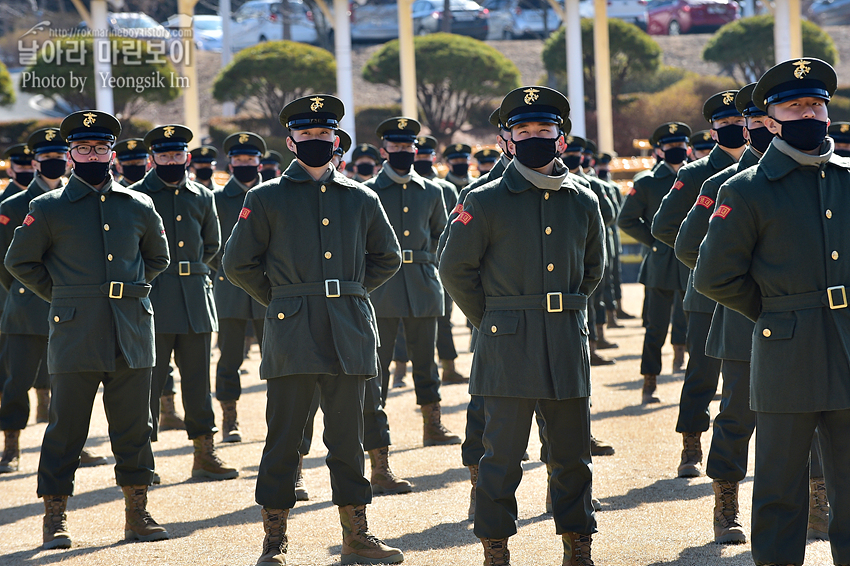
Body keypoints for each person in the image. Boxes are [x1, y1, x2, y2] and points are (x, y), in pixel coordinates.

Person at [223, 94, 404, 566]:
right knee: (283, 438)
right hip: (292, 332)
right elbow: (237, 262)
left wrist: (348, 292)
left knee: (347, 440)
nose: (317, 142)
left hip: (349, 331)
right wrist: (284, 299)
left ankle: (356, 536)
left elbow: (388, 256)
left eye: (325, 135)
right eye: (307, 136)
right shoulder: (264, 198)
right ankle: (274, 540)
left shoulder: (362, 197)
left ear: (337, 140)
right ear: (290, 141)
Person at [693, 57, 849, 566]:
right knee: (781, 486)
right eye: (793, 105)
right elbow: (714, 276)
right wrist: (776, 313)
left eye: (815, 104)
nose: (807, 113)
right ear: (771, 117)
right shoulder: (746, 188)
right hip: (786, 352)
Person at [440, 85, 604, 566]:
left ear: (561, 137)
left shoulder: (584, 200)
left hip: (565, 339)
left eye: (544, 129)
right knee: (502, 458)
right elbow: (455, 270)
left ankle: (578, 543)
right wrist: (493, 319)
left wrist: (562, 310)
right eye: (523, 130)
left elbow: (592, 270)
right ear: (507, 141)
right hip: (507, 341)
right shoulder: (485, 200)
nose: (534, 137)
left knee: (572, 456)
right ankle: (496, 547)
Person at [5, 110, 171, 548]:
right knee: (66, 428)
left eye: (100, 148)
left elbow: (158, 259)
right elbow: (19, 263)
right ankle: (54, 518)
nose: (92, 155)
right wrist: (64, 297)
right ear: (70, 154)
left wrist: (130, 292)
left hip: (131, 331)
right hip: (75, 331)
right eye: (83, 148)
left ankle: (137, 513)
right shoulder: (46, 207)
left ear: (111, 152)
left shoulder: (138, 204)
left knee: (135, 428)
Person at [131, 124, 236, 482]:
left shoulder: (202, 195)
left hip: (194, 299)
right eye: (164, 155)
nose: (171, 161)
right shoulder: (134, 196)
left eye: (177, 155)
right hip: (152, 302)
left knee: (197, 383)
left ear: (187, 157)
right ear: (152, 158)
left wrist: (194, 274)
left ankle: (204, 454)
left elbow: (213, 246)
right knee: (147, 385)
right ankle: (141, 460)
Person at [652, 90, 747, 478]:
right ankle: (691, 443)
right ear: (712, 130)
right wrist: (710, 263)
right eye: (725, 124)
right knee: (703, 374)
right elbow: (663, 227)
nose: (735, 129)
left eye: (739, 122)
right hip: (708, 292)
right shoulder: (695, 174)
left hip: (757, 293)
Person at [0, 127, 107, 473]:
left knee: (69, 382)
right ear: (34, 162)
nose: (54, 162)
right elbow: (7, 263)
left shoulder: (79, 200)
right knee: (17, 381)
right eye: (46, 158)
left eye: (60, 156)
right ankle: (11, 446)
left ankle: (72, 446)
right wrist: (29, 291)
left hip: (73, 309)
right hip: (26, 308)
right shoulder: (13, 205)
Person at [363, 116, 461, 449]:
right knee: (378, 361)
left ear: (416, 149)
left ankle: (432, 425)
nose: (403, 151)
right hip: (382, 286)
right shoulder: (368, 192)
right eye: (396, 146)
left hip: (422, 282)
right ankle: (374, 432)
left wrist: (427, 262)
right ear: (383, 150)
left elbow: (441, 236)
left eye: (408, 146)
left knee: (425, 359)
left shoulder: (432, 191)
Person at [618, 123, 690, 404]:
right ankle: (650, 381)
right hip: (661, 262)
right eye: (671, 146)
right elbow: (627, 219)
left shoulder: (694, 176)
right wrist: (655, 241)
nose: (677, 150)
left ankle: (692, 377)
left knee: (694, 323)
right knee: (656, 327)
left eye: (681, 145)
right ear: (660, 149)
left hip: (690, 261)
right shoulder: (647, 181)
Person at [212, 131, 268, 443]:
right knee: (229, 357)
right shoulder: (217, 199)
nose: (245, 164)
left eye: (250, 159)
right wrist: (222, 271)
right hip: (230, 288)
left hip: (267, 288)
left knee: (275, 356)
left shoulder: (273, 195)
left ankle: (279, 416)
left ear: (260, 162)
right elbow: (208, 246)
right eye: (239, 159)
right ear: (230, 163)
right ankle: (229, 417)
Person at [411, 134, 467, 386]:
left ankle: (449, 367)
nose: (422, 159)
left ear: (434, 157)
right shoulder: (408, 187)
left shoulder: (446, 188)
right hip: (414, 264)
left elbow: (455, 226)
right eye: (418, 155)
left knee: (444, 318)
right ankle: (402, 370)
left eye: (426, 155)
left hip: (439, 260)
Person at [561, 135, 619, 364]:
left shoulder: (591, 185)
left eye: (576, 154)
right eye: (568, 153)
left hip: (586, 250)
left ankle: (592, 345)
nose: (571, 157)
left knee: (593, 301)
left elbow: (610, 214)